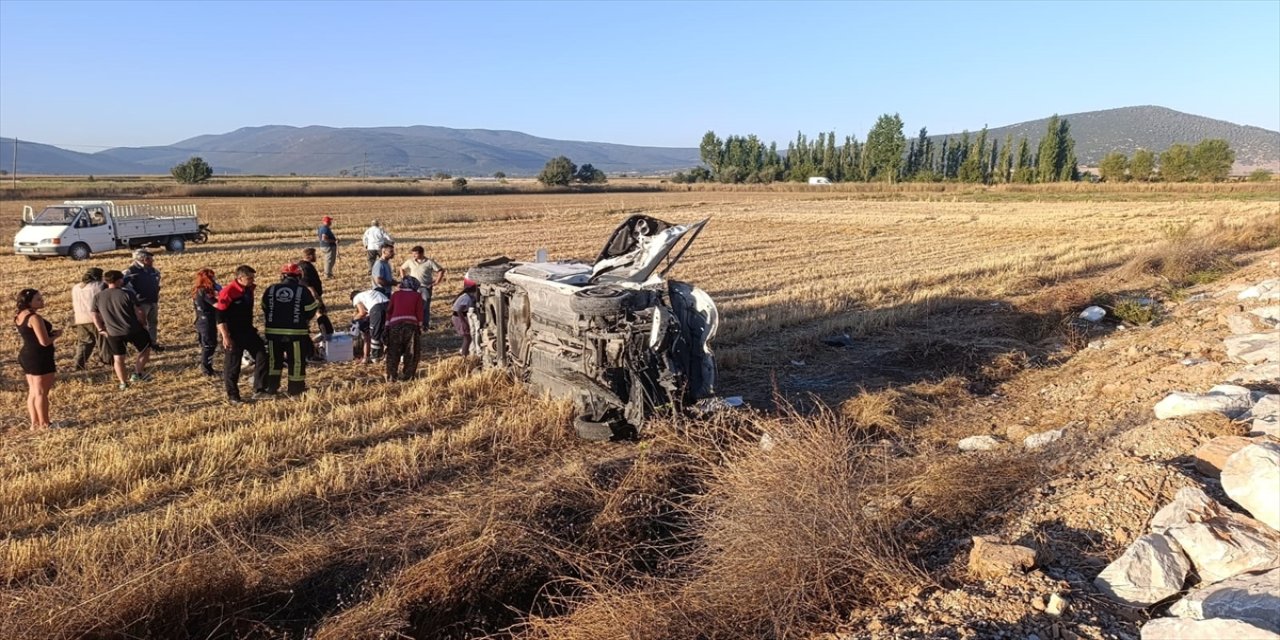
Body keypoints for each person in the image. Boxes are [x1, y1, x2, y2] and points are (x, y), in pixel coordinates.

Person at [262, 263, 320, 396]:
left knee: (274, 361)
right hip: (296, 333)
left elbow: (264, 307)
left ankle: (271, 387)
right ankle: (295, 389)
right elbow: (311, 310)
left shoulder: (271, 289)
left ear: (282, 276)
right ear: (299, 276)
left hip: (273, 333)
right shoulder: (302, 290)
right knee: (296, 362)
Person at [215, 265, 270, 405]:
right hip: (233, 334)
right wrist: (226, 337)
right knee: (233, 366)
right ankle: (233, 396)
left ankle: (259, 389)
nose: (252, 280)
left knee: (262, 355)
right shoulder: (228, 292)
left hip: (248, 331)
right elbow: (220, 317)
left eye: (253, 277)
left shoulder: (249, 289)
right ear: (240, 278)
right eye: (249, 278)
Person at [92, 270, 153, 390]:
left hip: (113, 332)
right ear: (120, 280)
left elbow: (94, 314)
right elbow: (139, 311)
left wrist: (100, 329)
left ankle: (123, 383)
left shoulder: (98, 296)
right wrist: (144, 323)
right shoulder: (127, 293)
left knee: (118, 358)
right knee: (145, 349)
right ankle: (137, 373)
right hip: (133, 329)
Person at [15, 289, 60, 429]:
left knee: (33, 391)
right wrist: (57, 335)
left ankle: (34, 423)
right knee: (41, 393)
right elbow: (44, 341)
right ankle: (45, 423)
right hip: (39, 356)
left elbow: (31, 335)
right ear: (29, 302)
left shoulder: (19, 315)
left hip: (26, 355)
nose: (42, 301)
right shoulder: (35, 318)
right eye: (38, 299)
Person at [123, 249, 165, 351]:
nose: (152, 261)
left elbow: (157, 280)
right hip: (140, 303)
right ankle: (142, 345)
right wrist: (135, 297)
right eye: (149, 258)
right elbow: (123, 285)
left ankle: (152, 343)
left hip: (153, 301)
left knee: (153, 323)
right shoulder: (129, 271)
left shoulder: (153, 270)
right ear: (142, 259)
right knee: (141, 324)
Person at [385, 277, 424, 381]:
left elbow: (389, 311)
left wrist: (387, 326)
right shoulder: (417, 296)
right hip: (411, 326)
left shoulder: (395, 295)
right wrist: (420, 326)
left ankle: (391, 376)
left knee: (393, 352)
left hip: (395, 326)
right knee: (411, 351)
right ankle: (408, 376)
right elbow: (419, 312)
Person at [400, 245, 446, 332]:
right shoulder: (410, 261)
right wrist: (404, 279)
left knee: (425, 307)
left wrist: (437, 281)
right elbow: (401, 268)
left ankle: (425, 325)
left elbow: (440, 270)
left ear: (421, 254)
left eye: (416, 254)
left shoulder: (429, 262)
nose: (414, 256)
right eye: (413, 254)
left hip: (425, 287)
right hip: (413, 288)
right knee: (413, 306)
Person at [70, 267, 106, 370]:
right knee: (103, 342)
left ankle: (78, 364)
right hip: (96, 318)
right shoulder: (100, 285)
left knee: (84, 343)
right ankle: (107, 361)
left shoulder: (76, 287)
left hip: (80, 318)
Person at [192, 268, 221, 377]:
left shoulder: (197, 290)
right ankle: (206, 369)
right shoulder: (205, 291)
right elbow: (217, 305)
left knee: (207, 345)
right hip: (206, 321)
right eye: (212, 277)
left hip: (201, 320)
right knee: (209, 345)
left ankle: (207, 367)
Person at [350, 287, 389, 363]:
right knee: (385, 332)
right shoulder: (368, 294)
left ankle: (375, 357)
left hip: (377, 308)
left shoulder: (356, 298)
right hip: (388, 305)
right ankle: (387, 355)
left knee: (375, 333)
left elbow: (362, 312)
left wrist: (353, 320)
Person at [452, 279, 479, 357]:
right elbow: (459, 311)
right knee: (467, 338)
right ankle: (464, 355)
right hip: (459, 317)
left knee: (468, 337)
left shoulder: (465, 296)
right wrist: (464, 322)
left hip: (459, 317)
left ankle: (465, 353)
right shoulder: (466, 298)